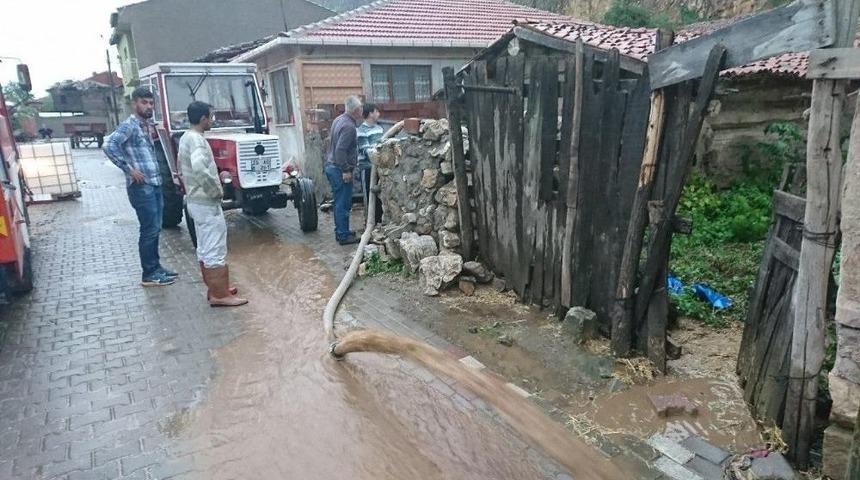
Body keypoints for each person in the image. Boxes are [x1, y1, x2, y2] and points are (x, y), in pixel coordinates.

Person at [104, 86, 178, 287]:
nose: (148, 106)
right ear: (134, 103)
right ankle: (149, 274)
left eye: (151, 103)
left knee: (155, 228)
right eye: (144, 103)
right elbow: (109, 146)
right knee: (149, 230)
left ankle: (156, 268)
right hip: (141, 187)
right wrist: (129, 170)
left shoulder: (146, 126)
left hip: (154, 183)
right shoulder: (129, 126)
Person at [178, 101, 248, 307]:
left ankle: (216, 288)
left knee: (205, 246)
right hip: (205, 202)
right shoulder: (197, 141)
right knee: (214, 247)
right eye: (211, 117)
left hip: (195, 201)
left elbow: (182, 166)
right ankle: (220, 295)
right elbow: (200, 169)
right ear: (203, 119)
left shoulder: (185, 138)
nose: (212, 121)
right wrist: (216, 191)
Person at [325, 95, 363, 245]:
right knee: (343, 203)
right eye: (360, 107)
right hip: (339, 169)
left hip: (332, 166)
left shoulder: (339, 119)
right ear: (356, 110)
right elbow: (340, 150)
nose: (362, 110)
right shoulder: (349, 127)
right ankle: (343, 236)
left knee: (339, 202)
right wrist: (346, 170)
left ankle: (342, 231)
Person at [356, 103, 384, 224]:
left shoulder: (379, 128)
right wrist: (378, 153)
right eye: (376, 111)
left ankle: (380, 221)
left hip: (380, 167)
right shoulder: (360, 131)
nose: (378, 114)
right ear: (371, 113)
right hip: (367, 168)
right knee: (369, 195)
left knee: (380, 195)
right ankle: (370, 222)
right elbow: (365, 149)